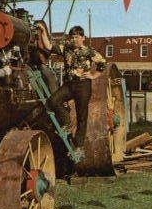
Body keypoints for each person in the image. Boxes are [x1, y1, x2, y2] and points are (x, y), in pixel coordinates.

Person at [35, 23, 106, 159]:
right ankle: (66, 121)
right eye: (72, 36)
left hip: (83, 86)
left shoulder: (89, 51)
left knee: (81, 117)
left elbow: (103, 63)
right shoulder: (66, 48)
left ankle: (79, 146)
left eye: (77, 36)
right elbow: (48, 46)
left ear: (83, 37)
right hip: (69, 85)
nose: (74, 39)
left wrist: (93, 75)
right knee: (52, 101)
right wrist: (43, 31)